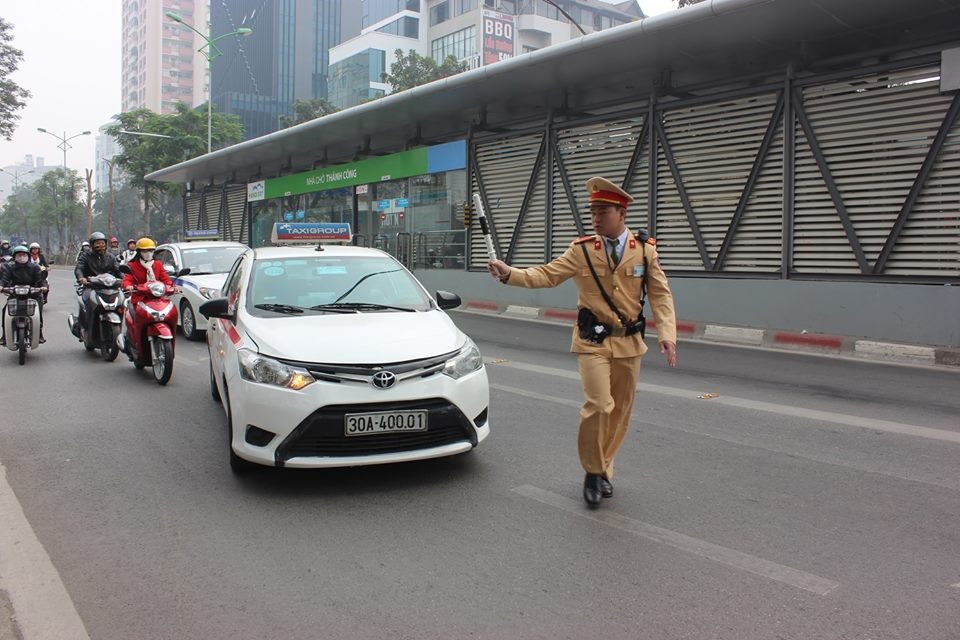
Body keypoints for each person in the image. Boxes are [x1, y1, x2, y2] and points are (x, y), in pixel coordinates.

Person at [487, 176, 678, 508]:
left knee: (619, 413)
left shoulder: (645, 251)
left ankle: (604, 468)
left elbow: (661, 295)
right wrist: (509, 273)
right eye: (592, 212)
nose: (595, 217)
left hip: (629, 344)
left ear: (621, 213)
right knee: (598, 405)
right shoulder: (582, 251)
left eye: (602, 211)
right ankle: (592, 472)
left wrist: (668, 335)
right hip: (593, 343)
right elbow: (546, 275)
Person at [73, 232, 122, 338]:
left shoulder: (111, 257)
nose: (100, 246)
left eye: (102, 243)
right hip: (91, 287)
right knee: (88, 304)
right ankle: (83, 328)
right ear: (92, 245)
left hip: (109, 287)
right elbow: (79, 268)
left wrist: (125, 279)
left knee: (121, 303)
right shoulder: (85, 256)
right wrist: (81, 278)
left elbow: (118, 270)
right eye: (97, 244)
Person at [0, 245, 48, 345]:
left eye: (24, 255)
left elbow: (41, 280)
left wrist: (43, 287)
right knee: (5, 311)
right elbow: (5, 279)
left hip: (33, 294)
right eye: (19, 255)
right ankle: (4, 336)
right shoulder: (10, 267)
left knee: (38, 311)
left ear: (27, 256)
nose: (21, 257)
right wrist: (1, 286)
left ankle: (39, 334)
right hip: (15, 294)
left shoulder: (34, 267)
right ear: (14, 257)